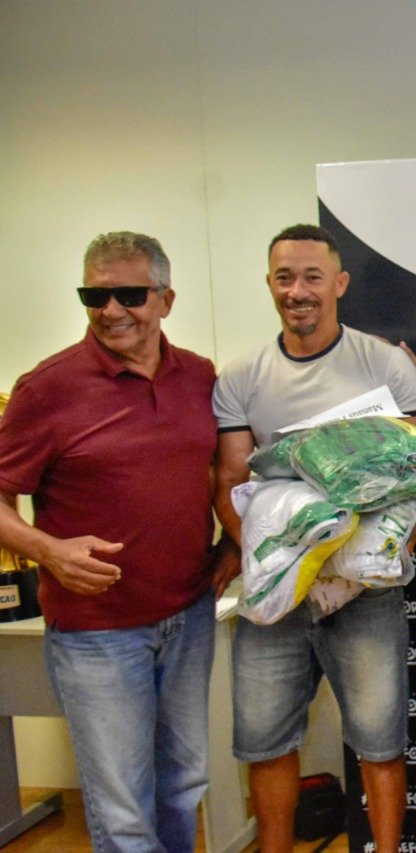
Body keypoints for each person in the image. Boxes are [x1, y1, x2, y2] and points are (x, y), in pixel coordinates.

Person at [0, 232, 227, 850]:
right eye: (94, 296)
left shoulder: (199, 376)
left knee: (183, 786)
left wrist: (233, 548)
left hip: (189, 615)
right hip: (96, 632)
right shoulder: (46, 388)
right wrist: (48, 550)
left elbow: (222, 472)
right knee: (123, 811)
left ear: (166, 300)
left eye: (129, 294)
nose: (111, 310)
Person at [212, 224, 416, 851]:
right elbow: (230, 482)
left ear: (340, 283)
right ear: (269, 284)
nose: (298, 290)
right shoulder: (241, 376)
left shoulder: (385, 365)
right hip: (276, 595)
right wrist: (280, 566)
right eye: (285, 278)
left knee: (380, 742)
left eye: (312, 276)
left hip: (364, 592)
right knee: (266, 743)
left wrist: (378, 550)